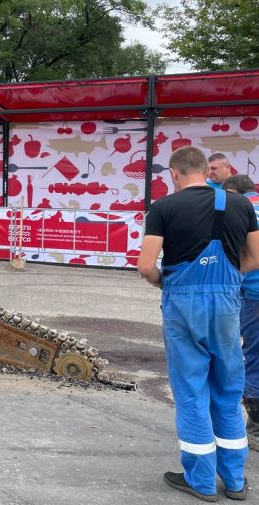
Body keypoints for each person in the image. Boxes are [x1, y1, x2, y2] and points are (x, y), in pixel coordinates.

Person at [138, 146, 259, 502]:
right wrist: (225, 280)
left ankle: (202, 480)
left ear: (173, 174)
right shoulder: (241, 205)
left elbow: (146, 265)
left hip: (183, 304)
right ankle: (235, 480)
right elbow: (255, 258)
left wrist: (166, 280)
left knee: (191, 389)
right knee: (227, 387)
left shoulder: (163, 208)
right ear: (207, 170)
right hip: (226, 304)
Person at [221, 174, 259, 453]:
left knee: (254, 357)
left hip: (254, 295)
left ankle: (255, 426)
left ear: (233, 192)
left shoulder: (236, 211)